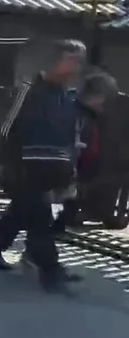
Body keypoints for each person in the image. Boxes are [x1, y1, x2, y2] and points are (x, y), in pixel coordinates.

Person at [0, 39, 87, 292]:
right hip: (25, 166)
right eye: (71, 60)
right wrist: (2, 163)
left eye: (79, 61)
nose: (76, 67)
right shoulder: (30, 91)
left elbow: (70, 136)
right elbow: (7, 128)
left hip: (53, 168)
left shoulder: (68, 97)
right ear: (55, 61)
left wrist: (69, 168)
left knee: (21, 212)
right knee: (40, 217)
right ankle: (50, 270)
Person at [55, 70, 118, 232]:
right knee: (70, 192)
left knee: (78, 193)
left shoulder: (89, 112)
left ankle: (61, 223)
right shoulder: (74, 110)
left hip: (86, 159)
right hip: (72, 159)